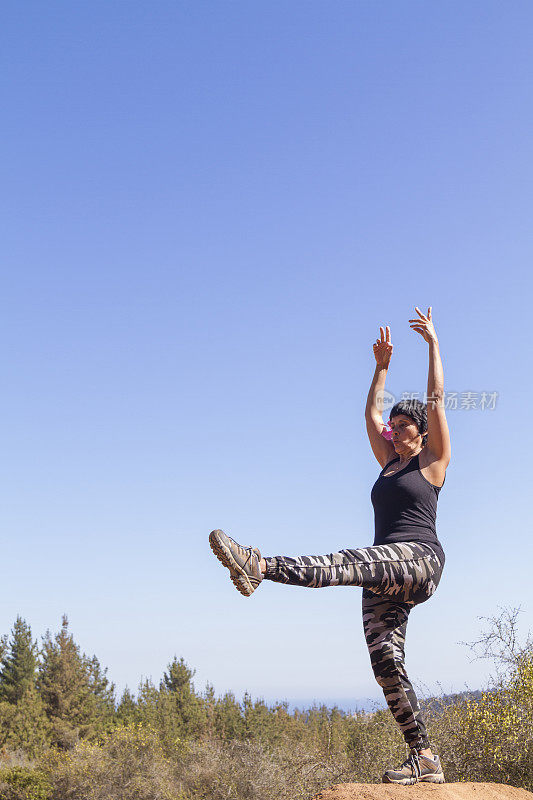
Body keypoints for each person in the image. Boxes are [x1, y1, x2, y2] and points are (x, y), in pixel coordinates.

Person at [209, 306, 451, 786]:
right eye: (394, 426)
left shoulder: (433, 462)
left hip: (418, 560)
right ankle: (424, 756)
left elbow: (438, 400)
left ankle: (258, 564)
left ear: (420, 434)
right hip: (385, 570)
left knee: (348, 562)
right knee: (385, 662)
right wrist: (380, 367)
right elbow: (370, 413)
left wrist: (433, 346)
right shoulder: (387, 463)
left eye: (404, 425)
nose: (394, 429)